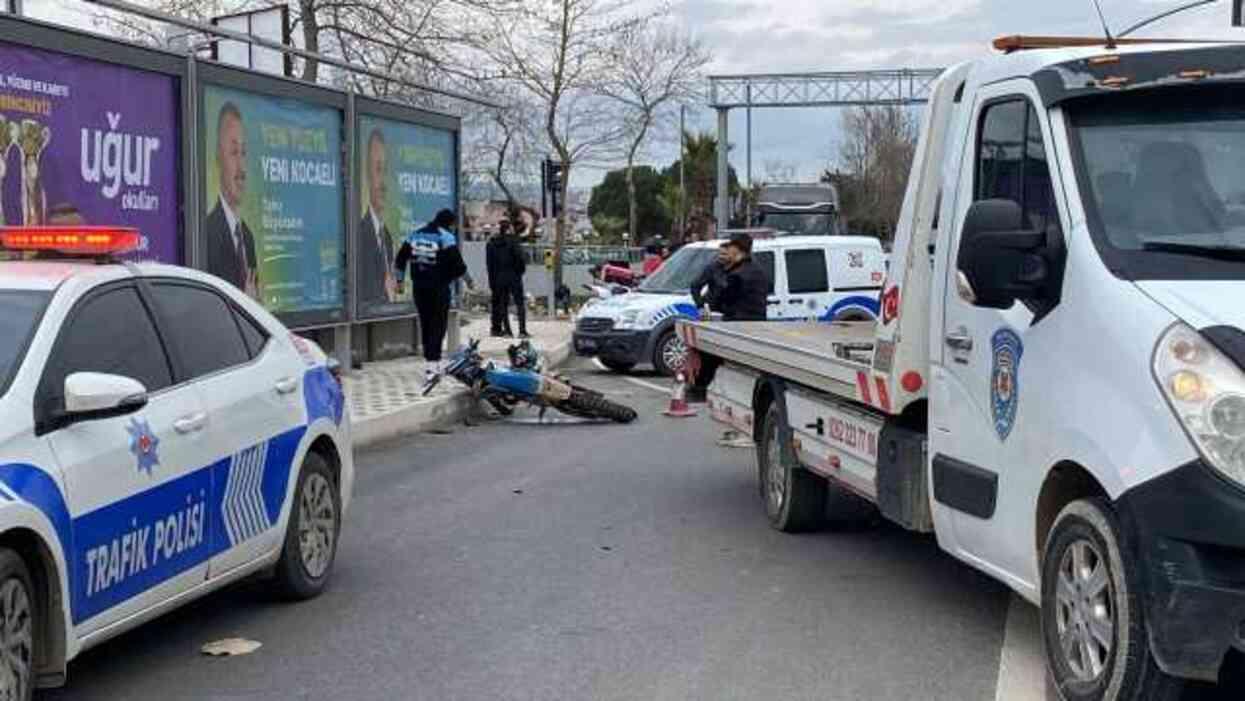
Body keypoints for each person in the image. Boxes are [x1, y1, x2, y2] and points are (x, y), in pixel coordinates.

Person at [688, 233, 770, 402]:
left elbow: (725, 299)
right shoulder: (759, 271)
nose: (726, 253)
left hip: (736, 325)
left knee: (711, 354)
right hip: (758, 325)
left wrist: (709, 306)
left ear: (737, 250)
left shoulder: (736, 275)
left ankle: (699, 389)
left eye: (729, 248)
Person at [395, 209, 469, 385]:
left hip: (419, 289)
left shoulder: (415, 234)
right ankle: (433, 366)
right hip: (439, 289)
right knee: (438, 324)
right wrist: (464, 280)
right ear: (449, 223)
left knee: (426, 324)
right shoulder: (446, 237)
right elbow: (459, 266)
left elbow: (400, 258)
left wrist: (400, 281)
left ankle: (430, 363)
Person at [205, 102, 259, 299]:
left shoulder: (248, 238)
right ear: (218, 157)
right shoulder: (207, 233)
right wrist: (246, 301)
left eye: (243, 153)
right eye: (234, 152)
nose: (241, 167)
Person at [359, 128, 397, 309]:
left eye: (386, 171)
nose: (383, 182)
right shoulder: (358, 234)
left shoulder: (387, 237)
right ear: (367, 175)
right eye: (378, 170)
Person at [486, 220, 528, 337]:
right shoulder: (513, 241)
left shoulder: (492, 243)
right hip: (514, 275)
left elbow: (490, 264)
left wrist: (492, 281)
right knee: (519, 303)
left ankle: (508, 331)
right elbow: (519, 258)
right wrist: (520, 271)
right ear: (509, 228)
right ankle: (522, 331)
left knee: (503, 304)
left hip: (499, 277)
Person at [690, 242, 730, 312]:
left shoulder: (740, 269)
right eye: (719, 254)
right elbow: (695, 285)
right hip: (714, 310)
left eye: (724, 254)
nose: (721, 257)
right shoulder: (712, 268)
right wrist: (700, 305)